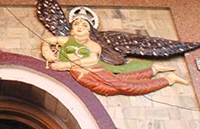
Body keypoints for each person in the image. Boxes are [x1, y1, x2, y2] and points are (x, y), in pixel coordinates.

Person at [40, 7, 188, 96]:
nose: (80, 27)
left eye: (84, 25)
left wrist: (65, 65)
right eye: (77, 24)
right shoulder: (65, 40)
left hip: (93, 71)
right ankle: (154, 70)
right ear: (71, 29)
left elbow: (91, 60)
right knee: (118, 84)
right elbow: (48, 41)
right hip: (81, 75)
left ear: (89, 30)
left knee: (125, 86)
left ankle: (168, 79)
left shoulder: (94, 45)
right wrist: (48, 53)